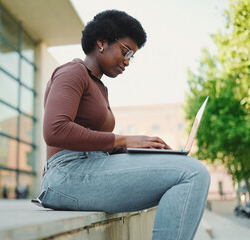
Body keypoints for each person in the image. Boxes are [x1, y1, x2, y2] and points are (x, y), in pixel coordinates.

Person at [34, 10, 211, 240]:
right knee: (193, 173)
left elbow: (96, 140)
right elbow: (55, 130)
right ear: (102, 42)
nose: (127, 61)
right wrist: (123, 139)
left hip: (90, 167)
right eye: (126, 51)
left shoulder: (99, 86)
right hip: (66, 174)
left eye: (132, 56)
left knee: (186, 168)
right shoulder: (72, 72)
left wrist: (135, 148)